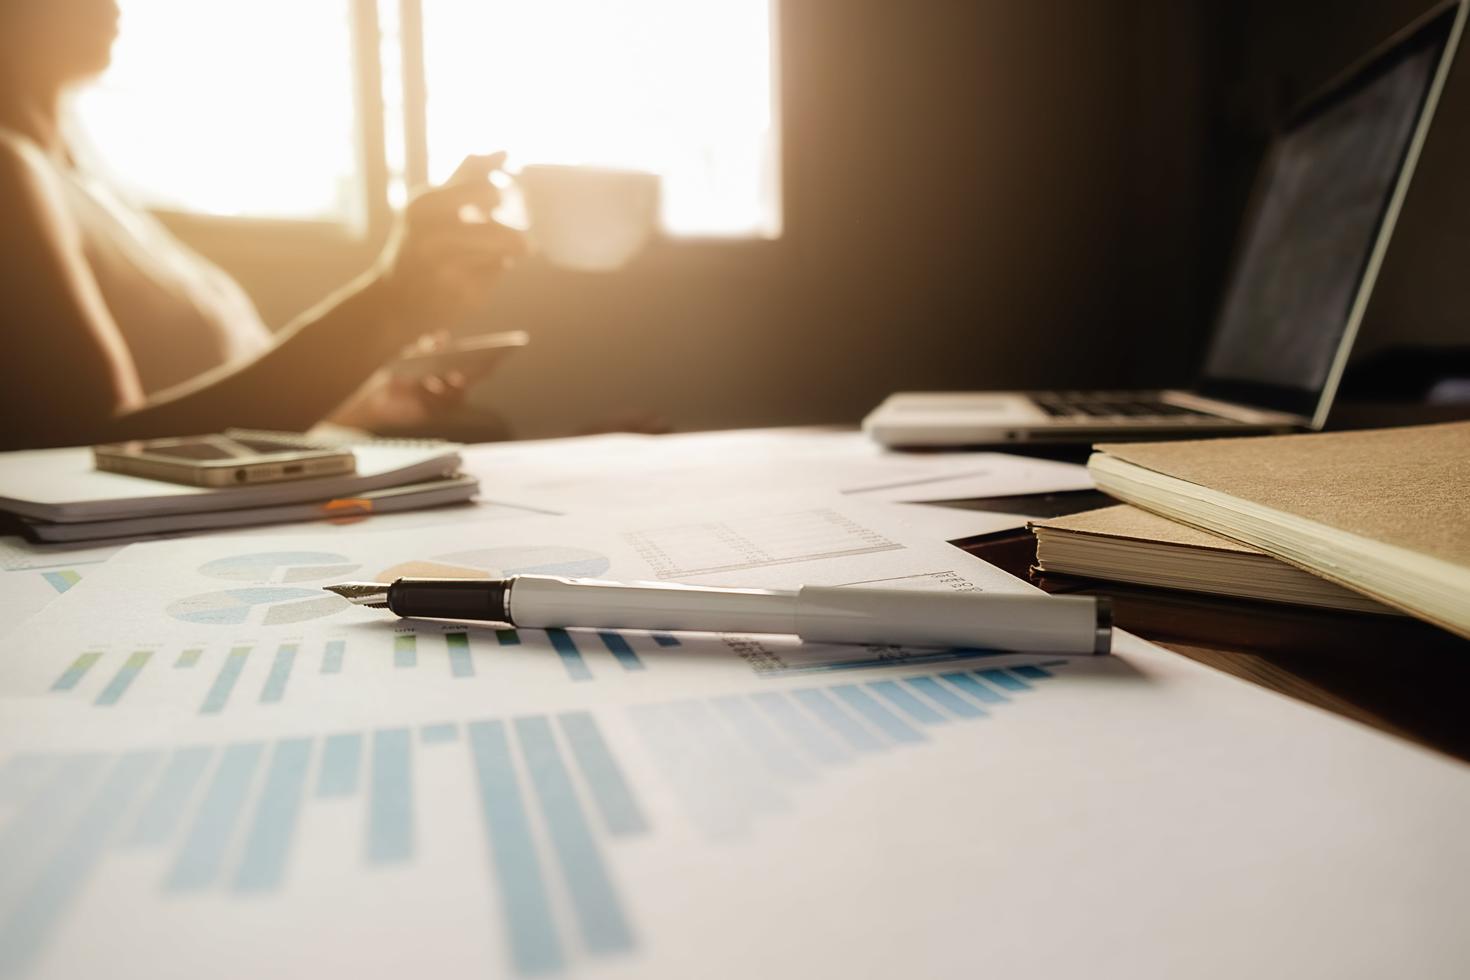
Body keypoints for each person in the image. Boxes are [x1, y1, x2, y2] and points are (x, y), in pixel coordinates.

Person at [0, 0, 528, 452]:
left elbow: (210, 394)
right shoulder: (10, 170)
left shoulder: (86, 175)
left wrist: (364, 403)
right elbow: (89, 455)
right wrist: (386, 309)